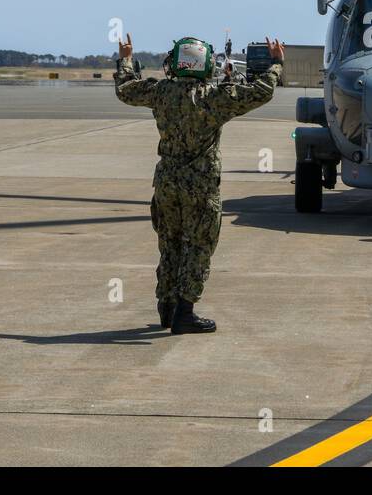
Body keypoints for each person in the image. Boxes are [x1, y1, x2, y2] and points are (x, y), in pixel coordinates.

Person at [114, 33, 284, 334]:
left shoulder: (161, 93)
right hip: (200, 188)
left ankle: (166, 308)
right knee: (199, 246)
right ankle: (185, 313)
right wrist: (276, 64)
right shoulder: (216, 98)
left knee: (170, 244)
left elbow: (125, 90)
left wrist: (126, 58)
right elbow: (262, 91)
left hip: (166, 185)